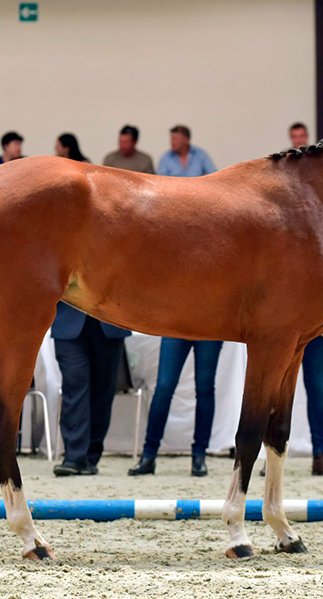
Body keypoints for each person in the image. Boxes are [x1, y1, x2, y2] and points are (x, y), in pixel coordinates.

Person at [129, 127, 220, 477]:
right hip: (180, 320)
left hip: (211, 320)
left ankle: (199, 455)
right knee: (164, 386)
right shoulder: (173, 239)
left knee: (204, 388)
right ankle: (148, 454)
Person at [260, 122, 323, 477]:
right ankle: (268, 457)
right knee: (271, 386)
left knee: (317, 388)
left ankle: (320, 453)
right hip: (289, 313)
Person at [51, 304, 130, 476]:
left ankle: (91, 456)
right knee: (73, 387)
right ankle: (74, 457)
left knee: (103, 393)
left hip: (110, 320)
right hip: (67, 322)